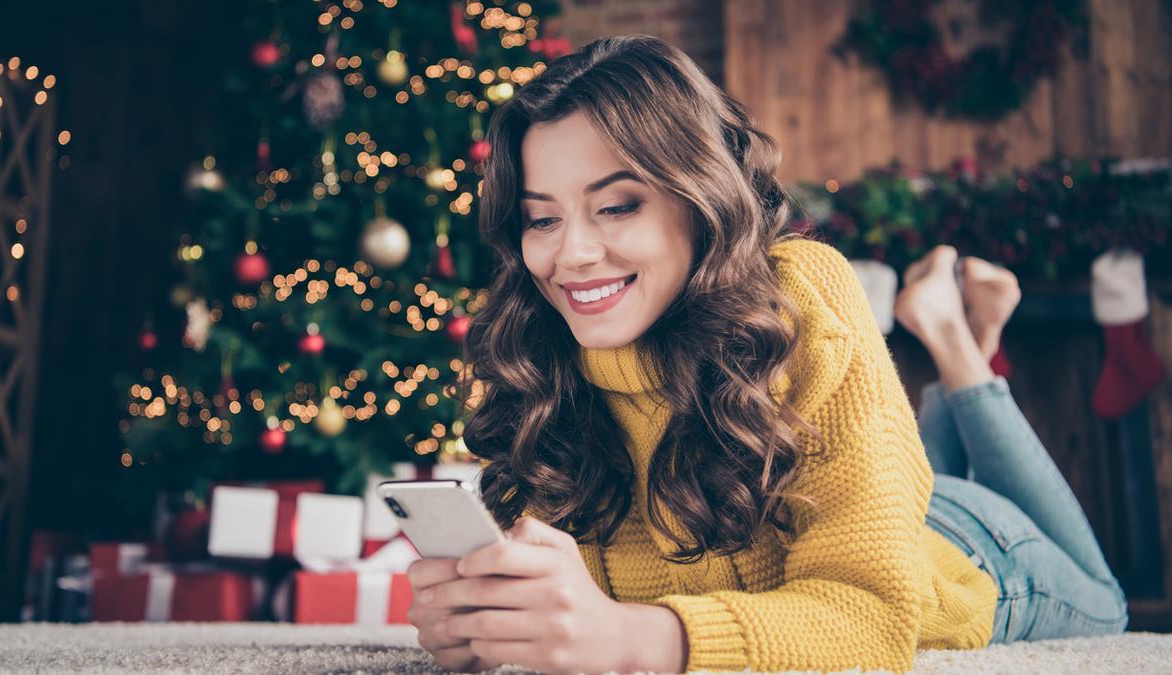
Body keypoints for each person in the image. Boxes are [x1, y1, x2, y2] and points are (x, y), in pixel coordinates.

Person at [404, 34, 1128, 674]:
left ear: (700, 197)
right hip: (871, 496)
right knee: (900, 463)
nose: (573, 254)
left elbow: (872, 610)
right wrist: (490, 619)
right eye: (541, 218)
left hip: (971, 552)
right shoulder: (544, 347)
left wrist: (630, 639)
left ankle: (959, 349)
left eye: (618, 205)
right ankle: (964, 342)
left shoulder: (801, 290)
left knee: (1108, 602)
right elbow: (575, 612)